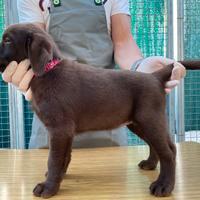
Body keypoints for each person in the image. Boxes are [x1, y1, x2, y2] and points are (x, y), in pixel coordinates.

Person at [2, 0, 186, 149]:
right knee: (50, 180)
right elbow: (34, 44)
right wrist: (25, 73)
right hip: (54, 110)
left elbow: (122, 42)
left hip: (107, 104)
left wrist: (140, 65)